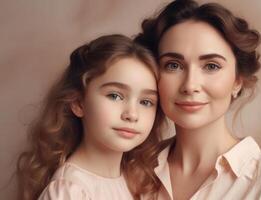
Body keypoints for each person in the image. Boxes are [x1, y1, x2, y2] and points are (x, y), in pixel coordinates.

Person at [134, 0, 261, 199]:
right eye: (173, 65)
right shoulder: (131, 171)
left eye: (211, 66)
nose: (190, 85)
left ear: (237, 81)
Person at [16, 34, 166, 200]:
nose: (132, 114)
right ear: (78, 103)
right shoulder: (69, 191)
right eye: (115, 96)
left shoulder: (137, 183)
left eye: (145, 102)